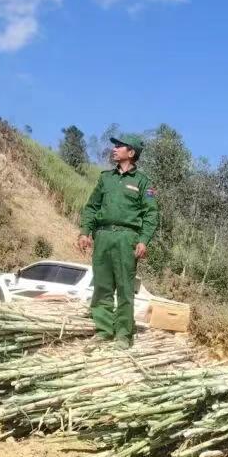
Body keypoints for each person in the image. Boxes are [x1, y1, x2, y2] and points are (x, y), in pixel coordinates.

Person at [77, 133, 159, 349]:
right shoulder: (106, 178)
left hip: (126, 239)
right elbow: (92, 207)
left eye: (120, 146)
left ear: (131, 153)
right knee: (102, 286)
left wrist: (143, 240)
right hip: (103, 236)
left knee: (124, 288)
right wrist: (85, 232)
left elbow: (151, 214)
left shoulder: (143, 183)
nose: (114, 149)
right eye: (115, 146)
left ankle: (123, 335)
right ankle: (104, 331)